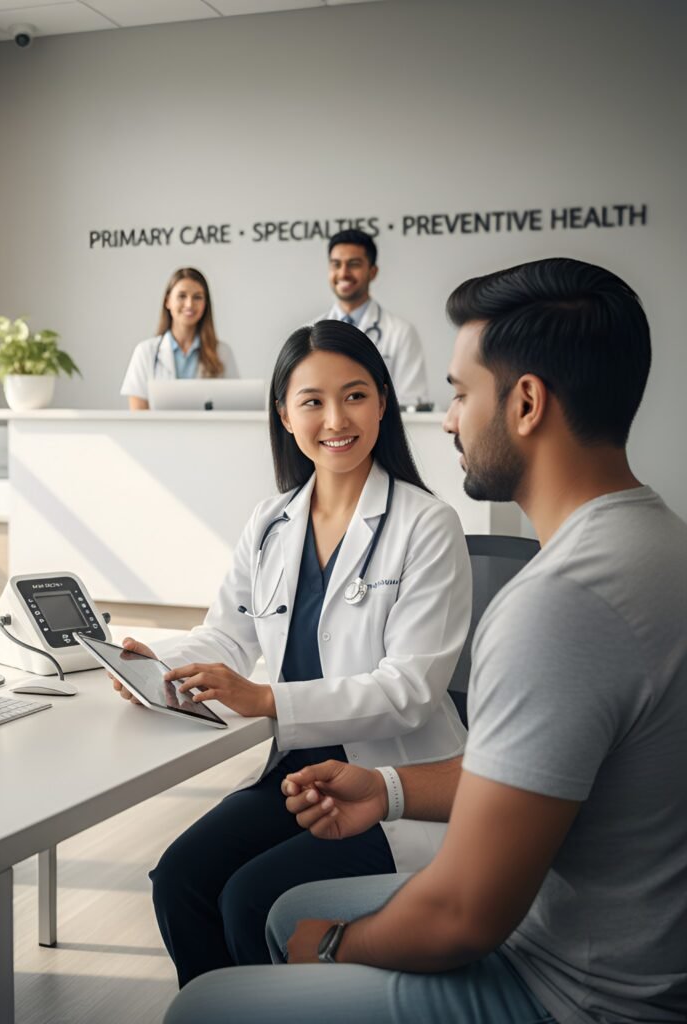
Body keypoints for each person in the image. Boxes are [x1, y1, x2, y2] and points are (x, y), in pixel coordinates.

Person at [164, 258, 687, 1024]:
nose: (447, 418)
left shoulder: (554, 600)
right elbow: (544, 767)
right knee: (213, 887)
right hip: (568, 926)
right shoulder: (656, 544)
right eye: (312, 401)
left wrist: (336, 943)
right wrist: (390, 789)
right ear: (284, 412)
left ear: (527, 404)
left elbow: (465, 915)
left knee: (205, 1002)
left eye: (459, 392)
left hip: (567, 986)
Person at [111, 319, 472, 988]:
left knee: (252, 898)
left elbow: (410, 689)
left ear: (384, 400)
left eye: (355, 395)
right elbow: (229, 634)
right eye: (312, 401)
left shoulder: (426, 525)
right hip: (300, 768)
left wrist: (267, 699)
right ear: (283, 413)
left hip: (391, 784)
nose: (335, 418)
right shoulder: (271, 522)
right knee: (180, 880)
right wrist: (148, 658)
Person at [317, 229, 428, 409]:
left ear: (373, 272)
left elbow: (411, 404)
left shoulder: (400, 333)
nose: (343, 273)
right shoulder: (311, 331)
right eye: (336, 264)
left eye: (353, 264)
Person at [121, 267, 239, 410]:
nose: (189, 304)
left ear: (205, 304)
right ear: (167, 301)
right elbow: (138, 414)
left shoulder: (222, 352)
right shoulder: (146, 352)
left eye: (197, 297)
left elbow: (234, 409)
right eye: (182, 296)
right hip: (159, 433)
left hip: (206, 433)